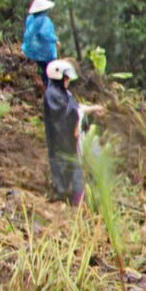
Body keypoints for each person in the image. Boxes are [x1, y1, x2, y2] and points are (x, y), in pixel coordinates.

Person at [42, 60, 102, 205]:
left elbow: (75, 108)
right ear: (59, 77)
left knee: (76, 166)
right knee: (67, 165)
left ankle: (78, 197)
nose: (68, 80)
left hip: (69, 138)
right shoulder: (52, 95)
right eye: (66, 78)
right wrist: (86, 112)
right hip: (61, 139)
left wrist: (92, 108)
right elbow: (67, 114)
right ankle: (70, 196)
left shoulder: (63, 92)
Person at [22, 0, 58, 87]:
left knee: (42, 69)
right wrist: (55, 40)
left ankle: (46, 85)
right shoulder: (45, 20)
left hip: (34, 50)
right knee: (49, 70)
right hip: (45, 51)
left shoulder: (30, 18)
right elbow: (45, 34)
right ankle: (49, 87)